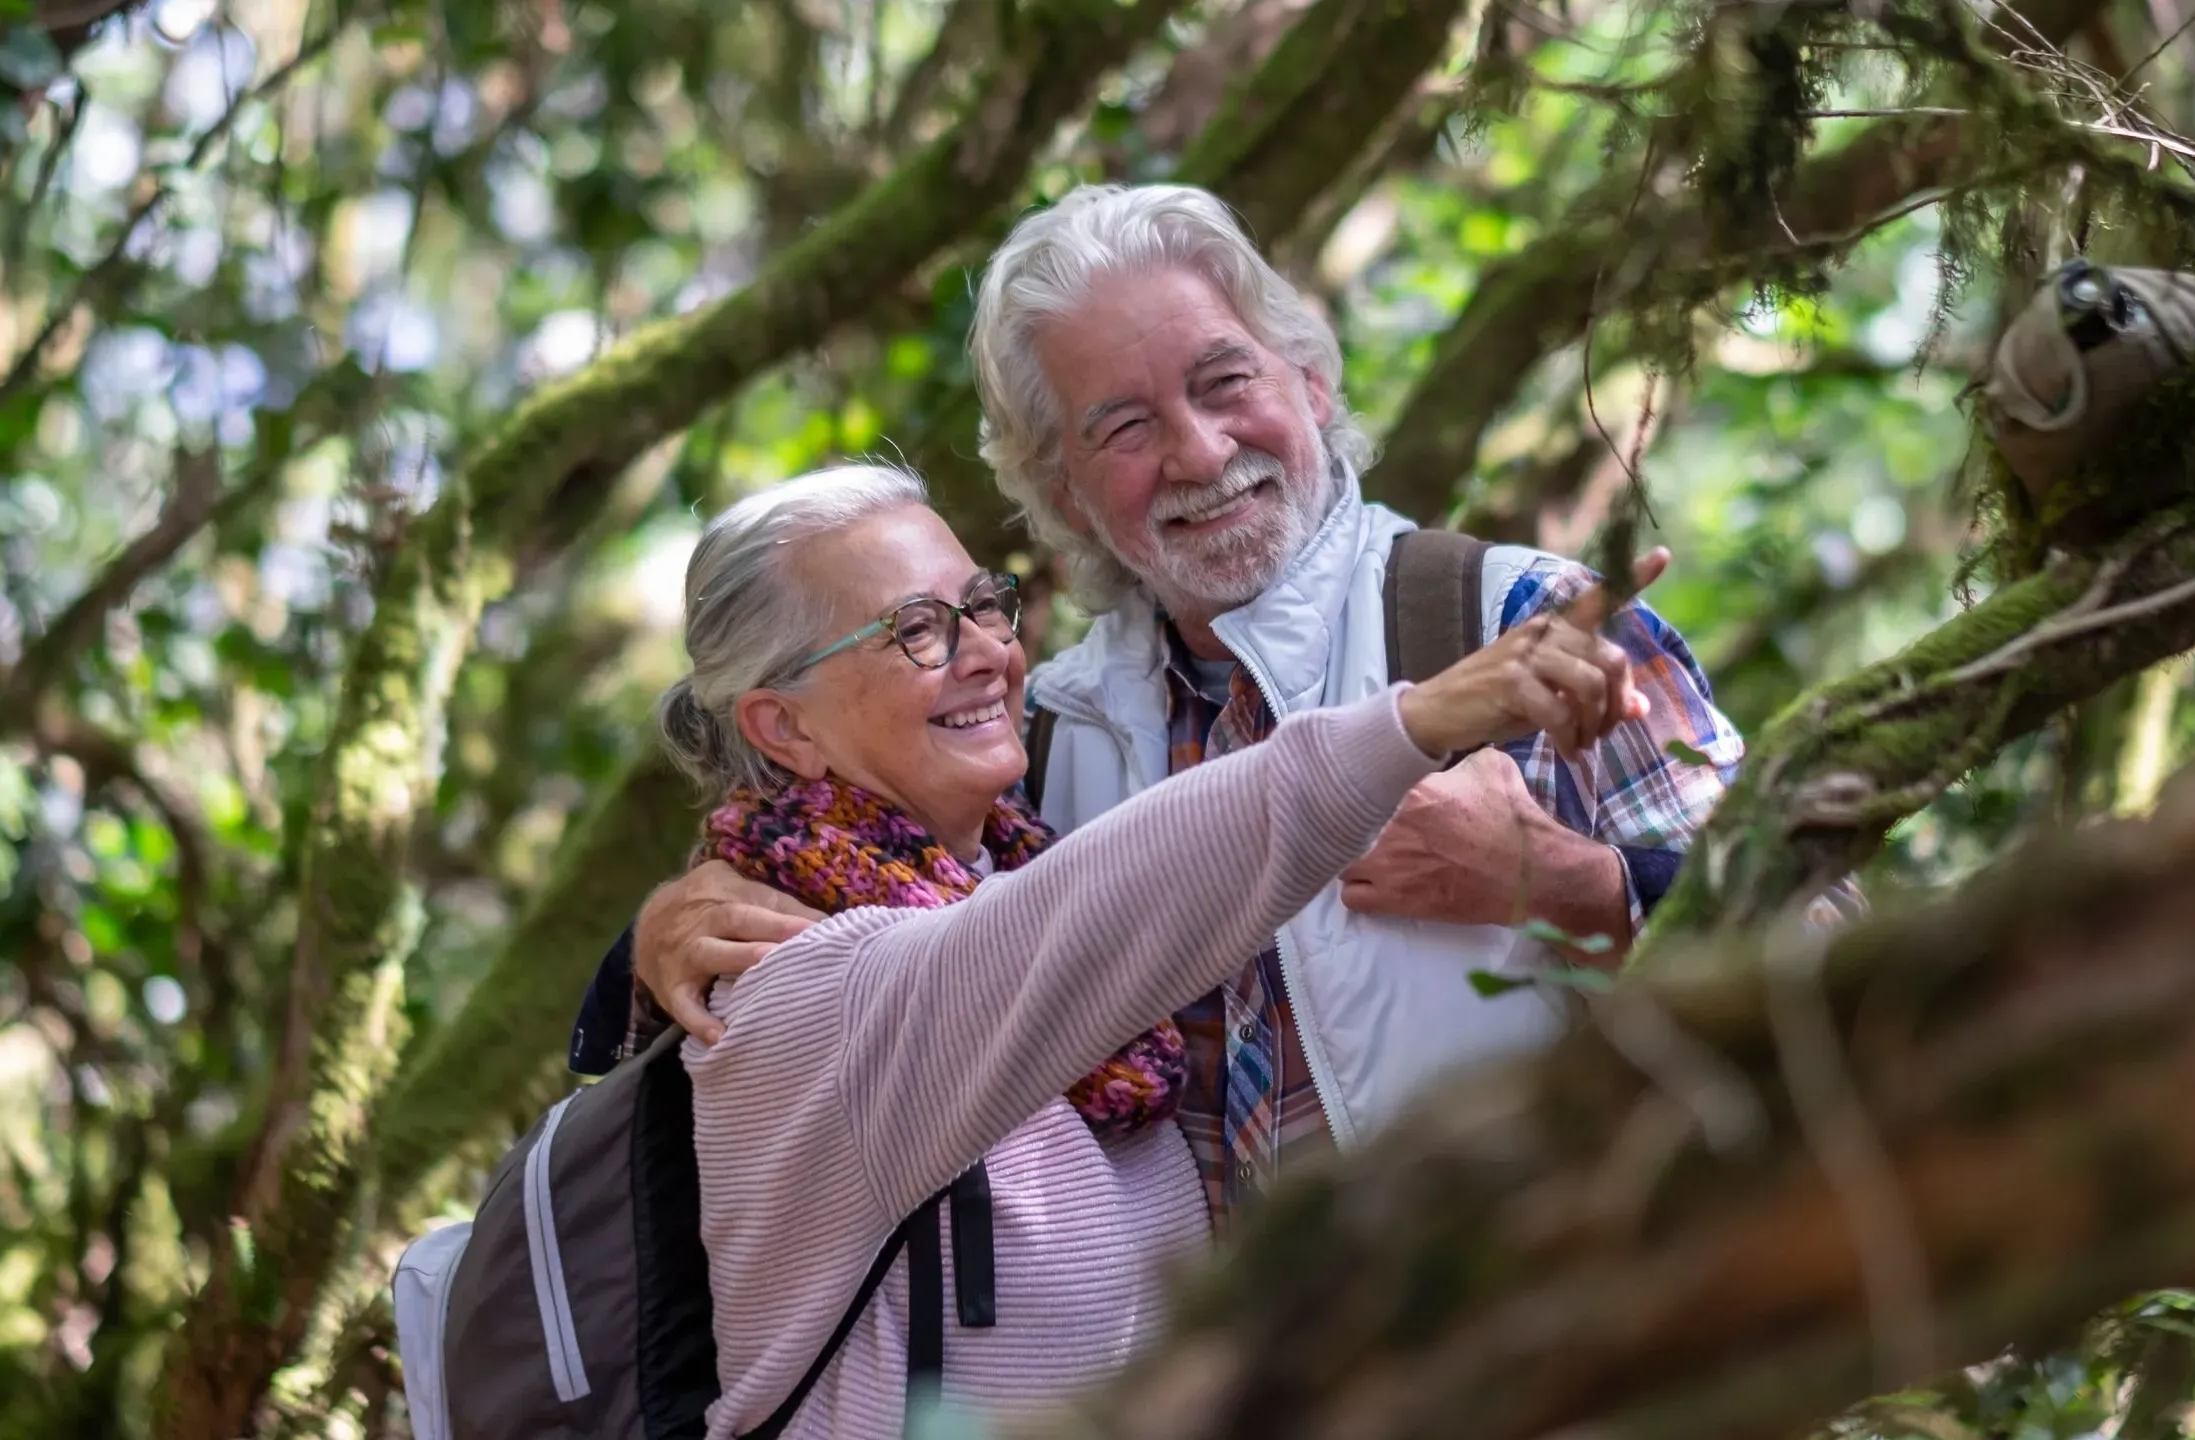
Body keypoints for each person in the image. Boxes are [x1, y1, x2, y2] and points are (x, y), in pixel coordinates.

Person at [577, 182, 1834, 1228]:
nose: (1194, 451)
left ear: (1312, 384)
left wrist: (1573, 886)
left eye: (1223, 381)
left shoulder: (1522, 626)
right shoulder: (1044, 746)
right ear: (1061, 492)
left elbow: (1833, 954)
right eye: (1122, 426)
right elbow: (843, 933)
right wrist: (650, 950)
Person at [653, 462, 1653, 1436]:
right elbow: (1114, 900)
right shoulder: (793, 985)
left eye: (983, 605)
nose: (986, 655)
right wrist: (1422, 718)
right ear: (781, 726)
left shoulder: (1008, 853)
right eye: (913, 630)